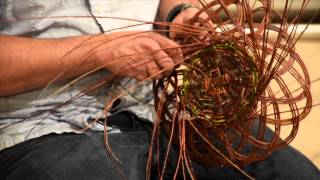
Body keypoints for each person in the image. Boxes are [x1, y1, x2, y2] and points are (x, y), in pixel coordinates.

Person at [0, 0, 319, 179]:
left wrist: (180, 16)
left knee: (291, 172)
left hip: (159, 118)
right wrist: (97, 51)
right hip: (43, 128)